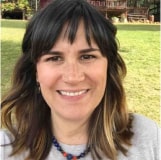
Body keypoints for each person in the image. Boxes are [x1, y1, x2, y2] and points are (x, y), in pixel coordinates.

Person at [0, 0, 160, 160]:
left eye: (87, 56)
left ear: (108, 66)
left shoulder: (148, 138)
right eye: (55, 58)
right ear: (35, 71)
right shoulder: (5, 149)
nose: (72, 77)